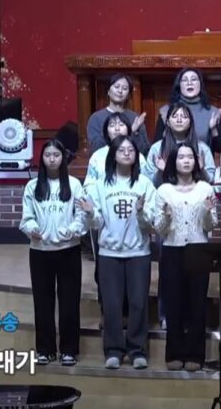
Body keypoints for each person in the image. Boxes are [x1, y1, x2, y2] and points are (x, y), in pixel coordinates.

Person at [84, 136, 157, 370]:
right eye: (121, 150)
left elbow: (151, 224)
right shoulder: (100, 185)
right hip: (109, 252)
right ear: (113, 155)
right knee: (112, 304)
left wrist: (141, 212)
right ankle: (113, 350)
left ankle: (137, 350)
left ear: (136, 156)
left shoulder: (144, 184)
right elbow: (97, 223)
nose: (126, 153)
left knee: (138, 302)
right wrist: (90, 212)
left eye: (131, 150)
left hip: (139, 252)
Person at [19, 139, 88, 367]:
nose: (52, 159)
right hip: (40, 251)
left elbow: (81, 215)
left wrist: (74, 230)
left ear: (63, 158)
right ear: (42, 158)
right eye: (47, 155)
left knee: (69, 301)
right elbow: (27, 217)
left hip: (68, 250)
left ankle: (69, 350)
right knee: (43, 302)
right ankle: (45, 349)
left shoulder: (74, 185)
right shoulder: (32, 186)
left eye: (56, 155)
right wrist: (32, 229)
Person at [154, 142, 218, 372]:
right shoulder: (163, 191)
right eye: (181, 157)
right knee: (174, 303)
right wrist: (167, 217)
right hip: (172, 251)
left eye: (190, 157)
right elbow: (159, 229)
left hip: (198, 251)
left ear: (196, 161)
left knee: (197, 304)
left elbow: (211, 225)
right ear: (174, 162)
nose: (186, 161)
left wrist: (207, 212)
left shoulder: (205, 189)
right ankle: (174, 353)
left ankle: (195, 354)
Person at [153, 68, 221, 152]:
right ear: (179, 85)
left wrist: (213, 129)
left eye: (193, 79)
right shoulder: (166, 111)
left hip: (203, 159)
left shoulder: (213, 113)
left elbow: (220, 149)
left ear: (200, 84)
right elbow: (156, 147)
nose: (189, 83)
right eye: (185, 80)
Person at [143, 103, 216, 186]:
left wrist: (202, 170)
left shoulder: (202, 148)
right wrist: (161, 172)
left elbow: (211, 180)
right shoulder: (156, 148)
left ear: (190, 122)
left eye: (184, 117)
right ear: (167, 122)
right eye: (175, 116)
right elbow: (149, 182)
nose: (179, 120)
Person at [86, 73, 150, 155]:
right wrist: (127, 132)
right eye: (116, 87)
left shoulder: (135, 118)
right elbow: (95, 148)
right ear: (108, 91)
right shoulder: (96, 118)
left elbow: (145, 151)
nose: (120, 91)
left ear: (128, 95)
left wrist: (134, 133)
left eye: (124, 88)